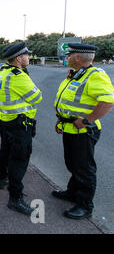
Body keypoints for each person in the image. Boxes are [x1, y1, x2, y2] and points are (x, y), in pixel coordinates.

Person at [53, 43, 114, 219]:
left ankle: (85, 206)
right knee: (72, 164)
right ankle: (72, 193)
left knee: (84, 169)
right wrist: (61, 120)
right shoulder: (76, 74)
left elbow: (108, 102)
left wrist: (88, 120)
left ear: (78, 57)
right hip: (70, 128)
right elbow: (69, 102)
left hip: (84, 132)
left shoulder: (95, 76)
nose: (67, 57)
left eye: (69, 55)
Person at [0, 42, 42, 215]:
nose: (29, 57)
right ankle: (15, 199)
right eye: (27, 55)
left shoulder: (1, 71)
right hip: (20, 125)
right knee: (19, 160)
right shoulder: (18, 76)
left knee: (5, 150)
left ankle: (2, 177)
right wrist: (26, 78)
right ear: (19, 58)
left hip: (5, 119)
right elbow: (37, 97)